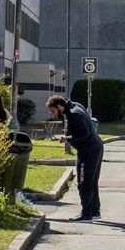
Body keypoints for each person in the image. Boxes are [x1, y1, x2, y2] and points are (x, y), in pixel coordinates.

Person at [47, 94, 103, 222]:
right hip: (96, 147)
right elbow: (72, 128)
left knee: (83, 183)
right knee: (92, 181)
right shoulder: (74, 106)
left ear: (59, 106)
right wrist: (67, 134)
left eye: (53, 110)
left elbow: (84, 134)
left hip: (88, 150)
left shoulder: (74, 114)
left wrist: (67, 138)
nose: (53, 114)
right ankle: (95, 211)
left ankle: (86, 214)